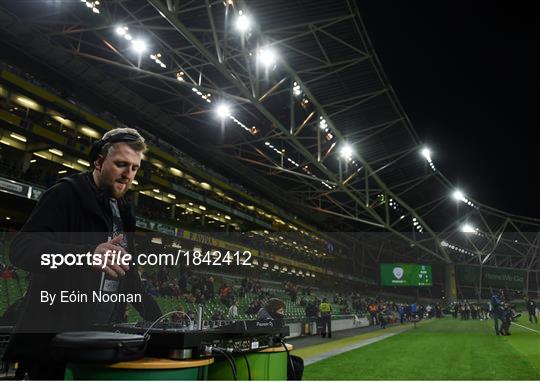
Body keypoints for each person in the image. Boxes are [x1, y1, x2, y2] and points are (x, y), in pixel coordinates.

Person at [5, 128, 162, 379]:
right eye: (121, 164)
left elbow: (129, 278)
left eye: (134, 168)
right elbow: (22, 250)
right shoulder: (65, 194)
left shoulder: (124, 211)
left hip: (99, 344)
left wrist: (163, 320)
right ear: (99, 161)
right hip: (54, 347)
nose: (128, 175)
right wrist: (87, 256)